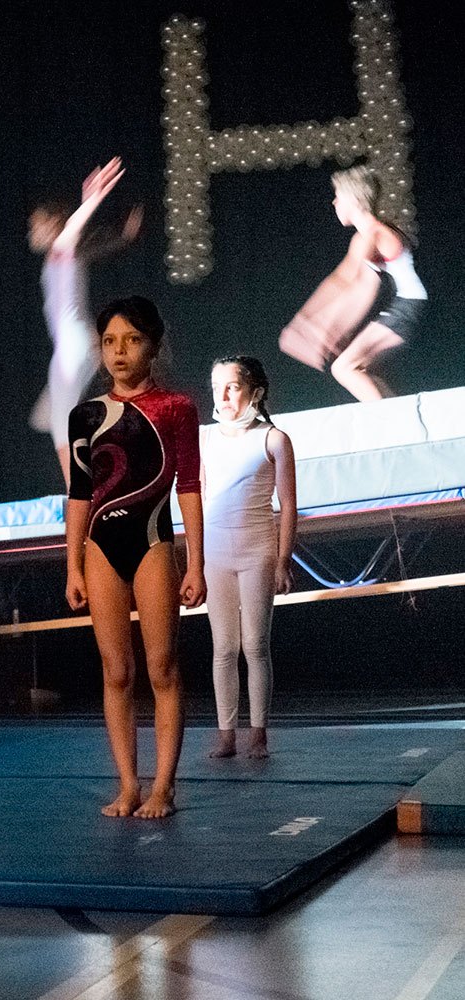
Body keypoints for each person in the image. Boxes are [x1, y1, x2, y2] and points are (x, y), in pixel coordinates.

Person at [65, 297, 204, 819]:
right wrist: (72, 565)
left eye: (132, 340)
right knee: (116, 670)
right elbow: (80, 493)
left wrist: (195, 563)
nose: (119, 352)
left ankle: (163, 787)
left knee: (162, 667)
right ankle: (128, 785)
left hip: (153, 544)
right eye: (109, 342)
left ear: (154, 346)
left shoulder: (176, 407)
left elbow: (188, 485)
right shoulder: (85, 415)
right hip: (101, 548)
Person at [203, 356, 297, 760]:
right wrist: (193, 560)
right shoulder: (205, 439)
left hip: (257, 551)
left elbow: (288, 505)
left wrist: (282, 560)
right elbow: (197, 499)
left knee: (255, 644)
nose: (223, 396)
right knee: (223, 647)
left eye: (232, 387)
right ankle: (226, 734)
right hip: (215, 553)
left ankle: (258, 734)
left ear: (255, 392)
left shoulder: (273, 439)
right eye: (217, 387)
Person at [29, 157, 143, 485]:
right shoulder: (64, 259)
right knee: (45, 417)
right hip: (79, 345)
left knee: (59, 423)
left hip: (74, 345)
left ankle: (79, 493)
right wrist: (123, 237)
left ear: (54, 225)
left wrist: (91, 200)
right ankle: (101, 465)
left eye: (37, 225)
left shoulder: (62, 249)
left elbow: (71, 231)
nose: (31, 232)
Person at [280, 164, 426, 400]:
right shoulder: (363, 237)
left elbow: (364, 286)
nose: (334, 203)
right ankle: (396, 416)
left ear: (354, 199)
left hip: (409, 306)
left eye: (338, 197)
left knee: (345, 368)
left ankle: (390, 420)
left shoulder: (374, 233)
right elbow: (340, 280)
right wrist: (308, 322)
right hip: (405, 306)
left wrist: (329, 330)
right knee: (362, 370)